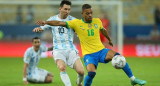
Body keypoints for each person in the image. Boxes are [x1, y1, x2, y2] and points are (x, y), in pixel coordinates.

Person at [35, 4, 147, 86]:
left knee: (119, 57)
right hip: (89, 54)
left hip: (101, 50)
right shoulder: (76, 23)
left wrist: (108, 39)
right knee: (91, 73)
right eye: (87, 13)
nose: (90, 15)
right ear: (82, 14)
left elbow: (102, 30)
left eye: (91, 13)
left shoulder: (97, 21)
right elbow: (59, 23)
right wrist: (46, 22)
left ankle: (133, 79)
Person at [33, 0, 84, 86]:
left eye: (69, 9)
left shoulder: (73, 20)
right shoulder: (52, 19)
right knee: (62, 68)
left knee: (81, 72)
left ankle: (79, 83)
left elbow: (80, 30)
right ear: (60, 8)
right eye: (65, 9)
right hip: (58, 49)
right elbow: (43, 27)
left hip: (71, 49)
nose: (67, 11)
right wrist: (39, 29)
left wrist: (79, 32)